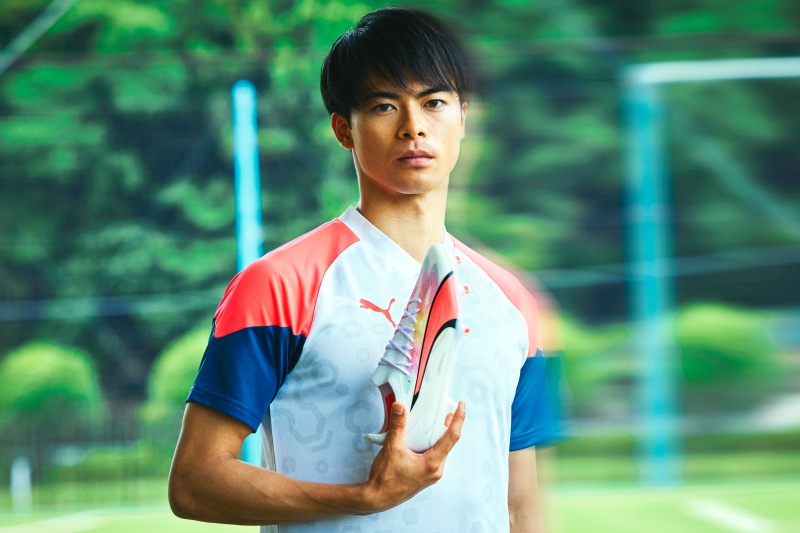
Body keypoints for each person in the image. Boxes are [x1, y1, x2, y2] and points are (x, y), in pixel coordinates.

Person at [169, 6, 560, 532]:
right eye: (384, 106)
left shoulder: (513, 302)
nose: (413, 127)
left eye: (434, 102)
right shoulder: (279, 285)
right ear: (343, 129)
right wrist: (364, 497)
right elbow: (194, 482)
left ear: (463, 118)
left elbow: (519, 506)